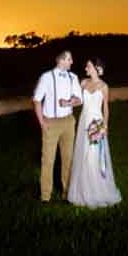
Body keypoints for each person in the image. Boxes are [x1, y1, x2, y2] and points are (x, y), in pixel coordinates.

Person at [67, 57, 122, 208]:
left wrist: (105, 126)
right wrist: (67, 101)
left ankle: (98, 190)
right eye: (86, 66)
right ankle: (81, 191)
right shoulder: (83, 83)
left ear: (97, 68)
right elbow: (76, 99)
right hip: (84, 122)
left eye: (88, 66)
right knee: (82, 154)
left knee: (94, 156)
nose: (86, 68)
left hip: (96, 123)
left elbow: (106, 108)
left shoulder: (104, 86)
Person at [32, 49, 82, 202]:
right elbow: (36, 100)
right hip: (51, 123)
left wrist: (69, 102)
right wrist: (42, 122)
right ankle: (45, 196)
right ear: (61, 60)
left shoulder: (73, 77)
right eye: (69, 59)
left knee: (68, 159)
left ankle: (67, 194)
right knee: (48, 160)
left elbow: (79, 99)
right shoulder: (46, 77)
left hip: (68, 121)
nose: (72, 62)